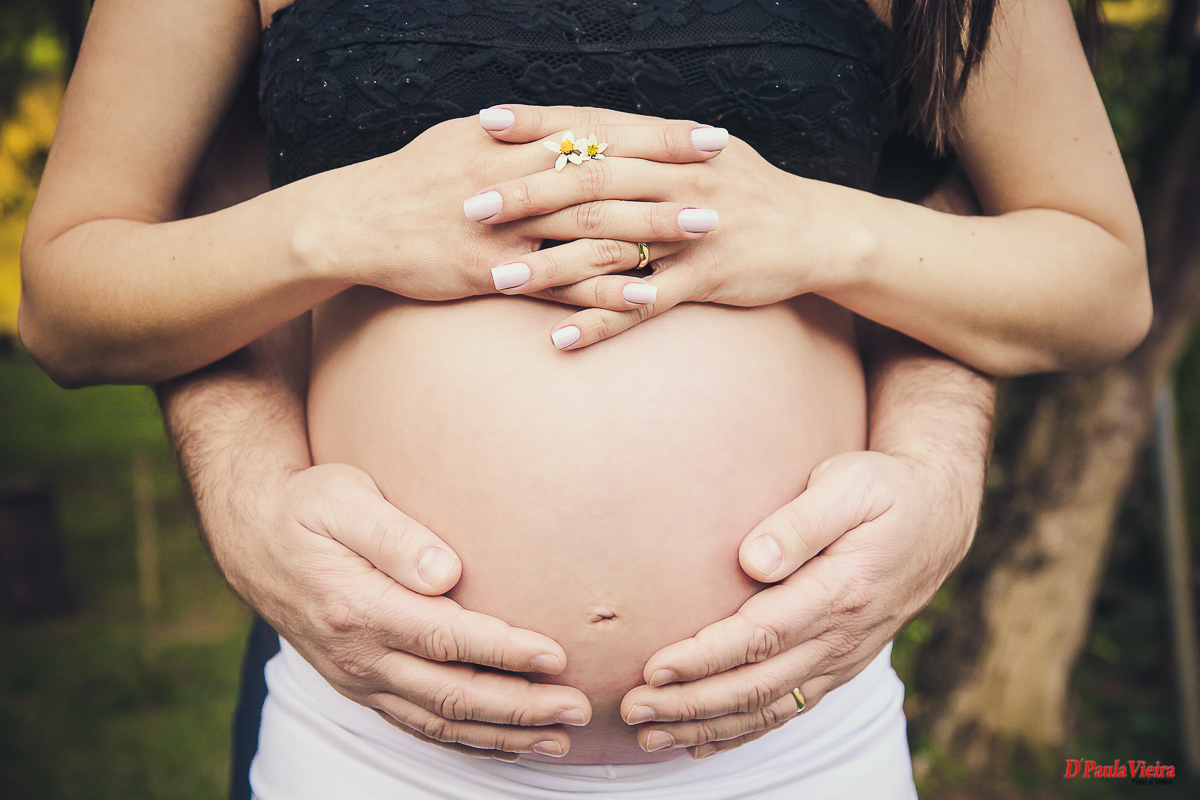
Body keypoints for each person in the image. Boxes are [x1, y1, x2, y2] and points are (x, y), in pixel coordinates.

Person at [18, 0, 1146, 797]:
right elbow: (69, 298)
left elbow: (1100, 277)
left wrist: (824, 230)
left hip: (797, 745)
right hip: (376, 748)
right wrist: (335, 223)